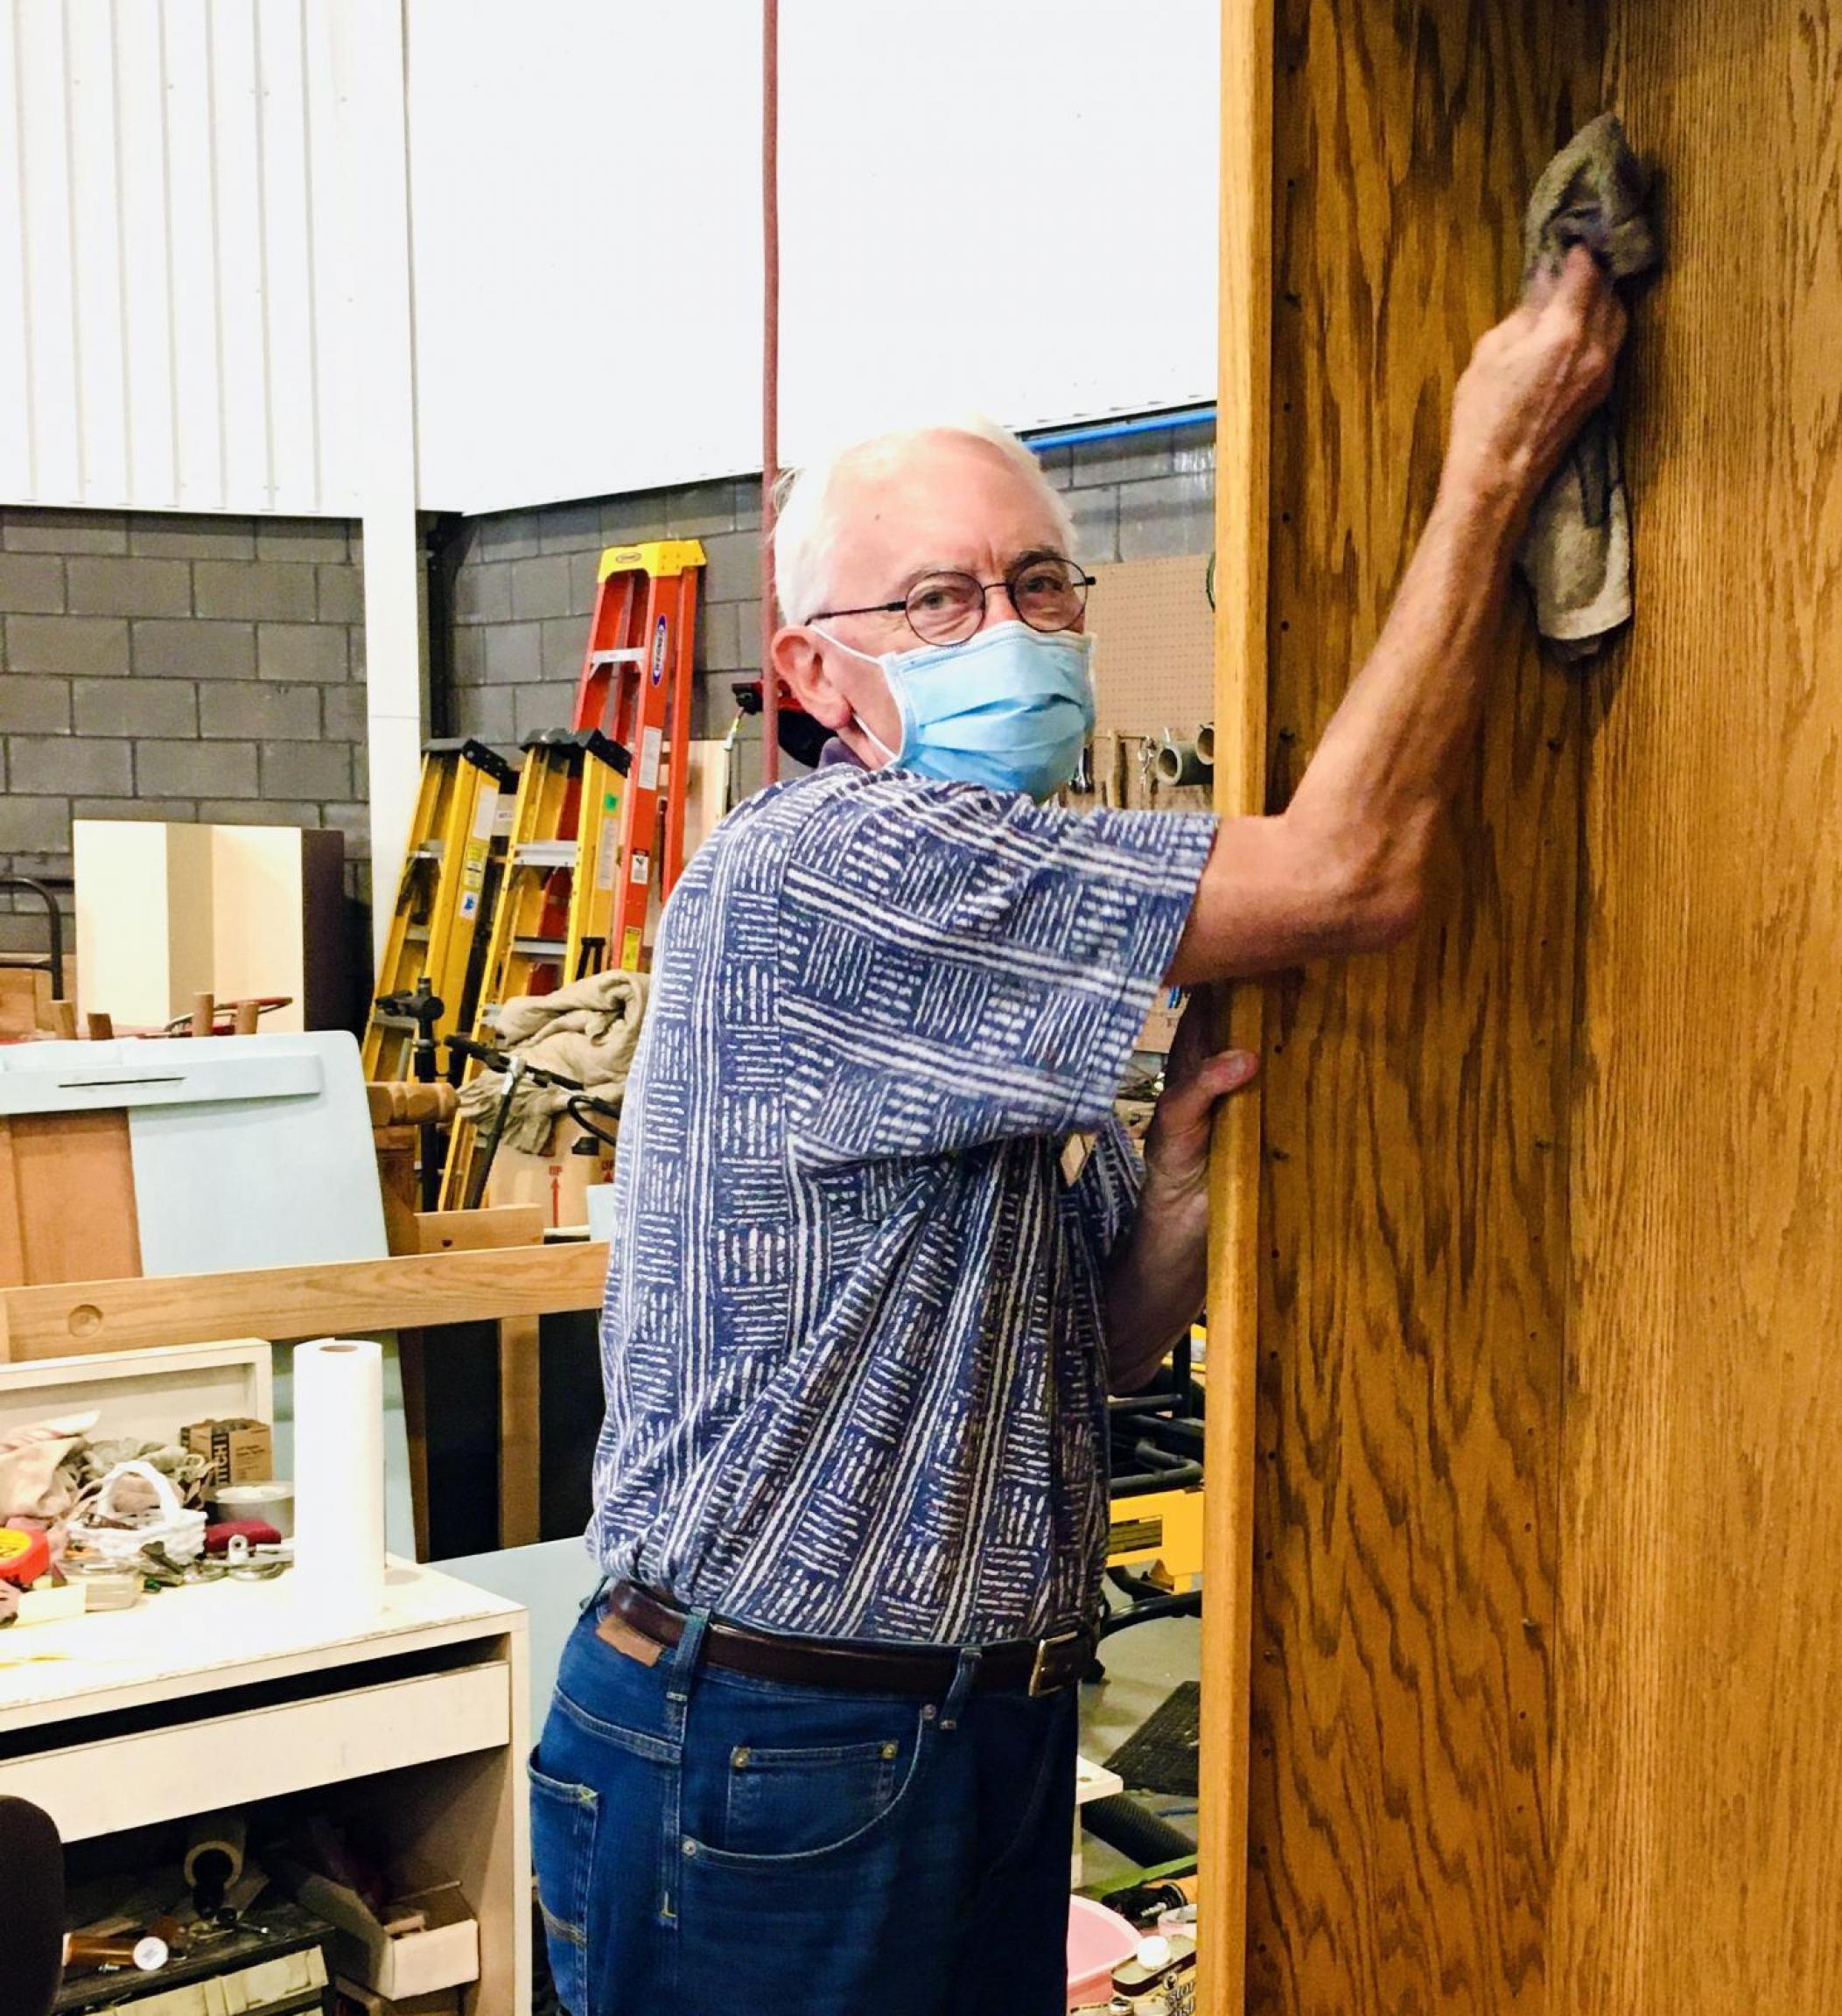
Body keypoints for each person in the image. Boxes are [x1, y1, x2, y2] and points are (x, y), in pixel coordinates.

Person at [529, 246, 1628, 2015]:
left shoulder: (992, 957)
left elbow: (1100, 1362)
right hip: (774, 1745)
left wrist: (1178, 1181)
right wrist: (1490, 465)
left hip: (963, 1723)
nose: (1017, 636)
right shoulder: (840, 869)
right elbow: (1353, 872)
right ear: (815, 671)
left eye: (1043, 587)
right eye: (941, 604)